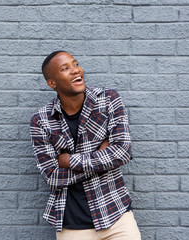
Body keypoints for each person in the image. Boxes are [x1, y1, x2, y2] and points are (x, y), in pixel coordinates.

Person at [30, 51, 141, 240]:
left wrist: (69, 160)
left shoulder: (108, 99)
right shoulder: (41, 121)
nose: (75, 70)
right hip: (72, 225)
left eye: (75, 64)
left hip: (116, 215)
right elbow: (52, 177)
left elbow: (122, 152)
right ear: (52, 83)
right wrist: (102, 158)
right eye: (65, 69)